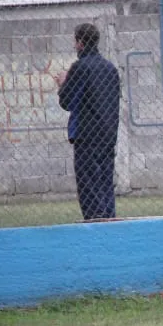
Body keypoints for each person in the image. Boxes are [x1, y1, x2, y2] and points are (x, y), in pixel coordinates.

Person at [55, 23, 120, 221]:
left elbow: (67, 101)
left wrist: (63, 83)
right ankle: (108, 219)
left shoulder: (80, 67)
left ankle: (95, 221)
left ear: (81, 43)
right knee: (105, 182)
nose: (74, 45)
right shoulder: (110, 69)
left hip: (87, 135)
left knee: (88, 184)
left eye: (75, 41)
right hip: (108, 135)